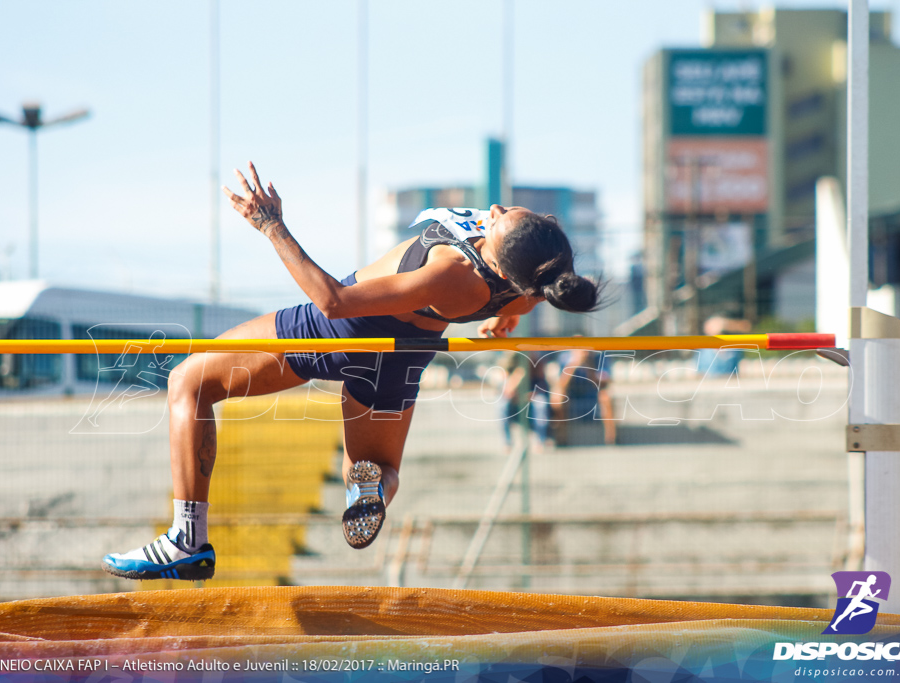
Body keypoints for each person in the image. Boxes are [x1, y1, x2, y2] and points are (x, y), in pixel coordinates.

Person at [101, 162, 601, 581]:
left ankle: (187, 538)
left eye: (501, 219)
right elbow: (529, 297)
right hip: (405, 353)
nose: (495, 210)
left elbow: (333, 301)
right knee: (373, 470)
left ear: (498, 252)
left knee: (188, 382)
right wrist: (505, 314)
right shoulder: (535, 277)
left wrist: (271, 226)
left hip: (345, 327)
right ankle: (371, 490)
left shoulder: (456, 274)